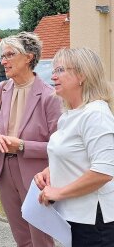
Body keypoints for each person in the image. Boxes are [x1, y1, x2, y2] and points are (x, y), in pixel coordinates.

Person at [0, 32, 62, 246]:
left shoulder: (49, 96)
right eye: (3, 55)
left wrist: (22, 145)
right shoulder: (2, 89)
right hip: (4, 171)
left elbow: (59, 147)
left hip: (36, 174)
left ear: (28, 57)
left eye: (9, 55)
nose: (3, 61)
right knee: (20, 236)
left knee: (40, 237)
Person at [35, 48, 114, 247]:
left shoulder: (96, 114)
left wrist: (58, 193)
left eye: (60, 70)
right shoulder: (70, 115)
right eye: (54, 70)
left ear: (82, 75)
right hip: (73, 216)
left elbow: (104, 171)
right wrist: (50, 171)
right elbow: (74, 155)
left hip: (93, 221)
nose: (53, 76)